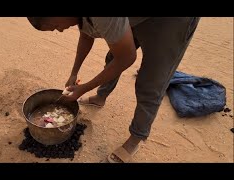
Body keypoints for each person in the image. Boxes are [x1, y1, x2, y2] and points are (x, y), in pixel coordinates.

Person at [26, 17, 200, 163]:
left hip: (170, 21)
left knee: (150, 82)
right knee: (113, 56)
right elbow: (86, 34)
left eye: (55, 26)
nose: (60, 30)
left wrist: (84, 88)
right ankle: (100, 98)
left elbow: (127, 58)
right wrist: (74, 73)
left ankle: (135, 139)